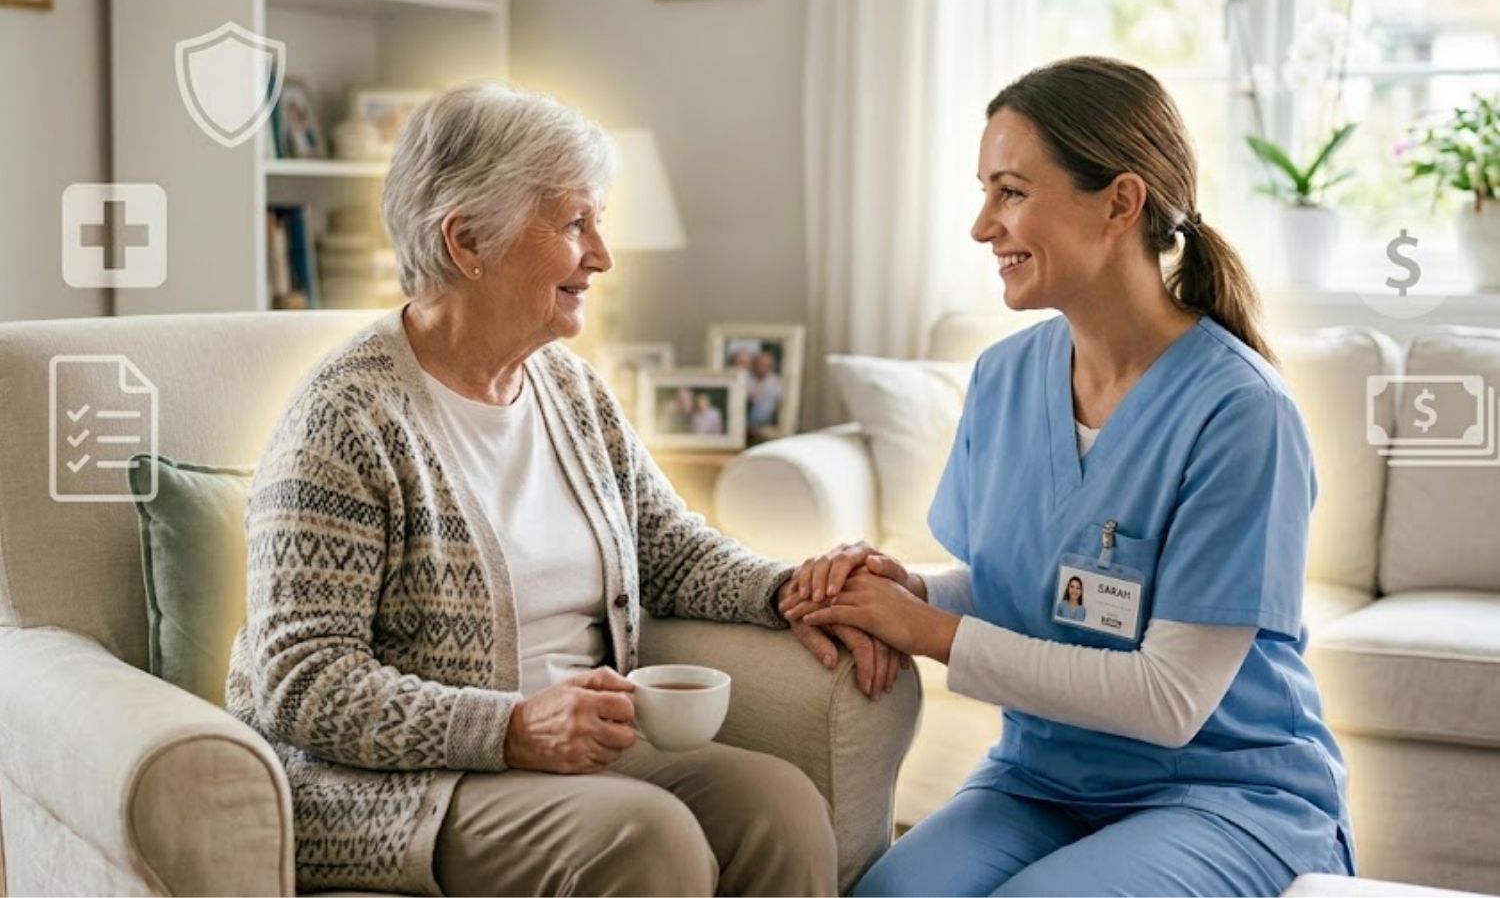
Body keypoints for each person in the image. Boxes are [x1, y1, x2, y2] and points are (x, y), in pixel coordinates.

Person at [225, 83, 904, 898]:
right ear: (468, 239)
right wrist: (510, 728)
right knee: (648, 841)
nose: (602, 255)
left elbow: (669, 551)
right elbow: (303, 683)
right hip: (412, 784)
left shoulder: (567, 389)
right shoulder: (345, 422)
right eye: (575, 223)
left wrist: (790, 588)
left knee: (782, 806)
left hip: (573, 748)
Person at [780, 57, 1354, 897]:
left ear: (1121, 203)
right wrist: (902, 590)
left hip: (1225, 792)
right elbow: (1021, 588)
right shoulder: (1004, 378)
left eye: (1010, 192)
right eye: (985, 192)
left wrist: (925, 631)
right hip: (1041, 781)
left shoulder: (1240, 412)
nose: (983, 226)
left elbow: (1168, 698)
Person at [746, 350, 783, 431]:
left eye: (766, 364)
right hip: (746, 425)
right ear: (755, 364)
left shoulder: (777, 382)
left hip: (769, 425)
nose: (763, 366)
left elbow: (780, 405)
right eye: (760, 363)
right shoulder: (746, 378)